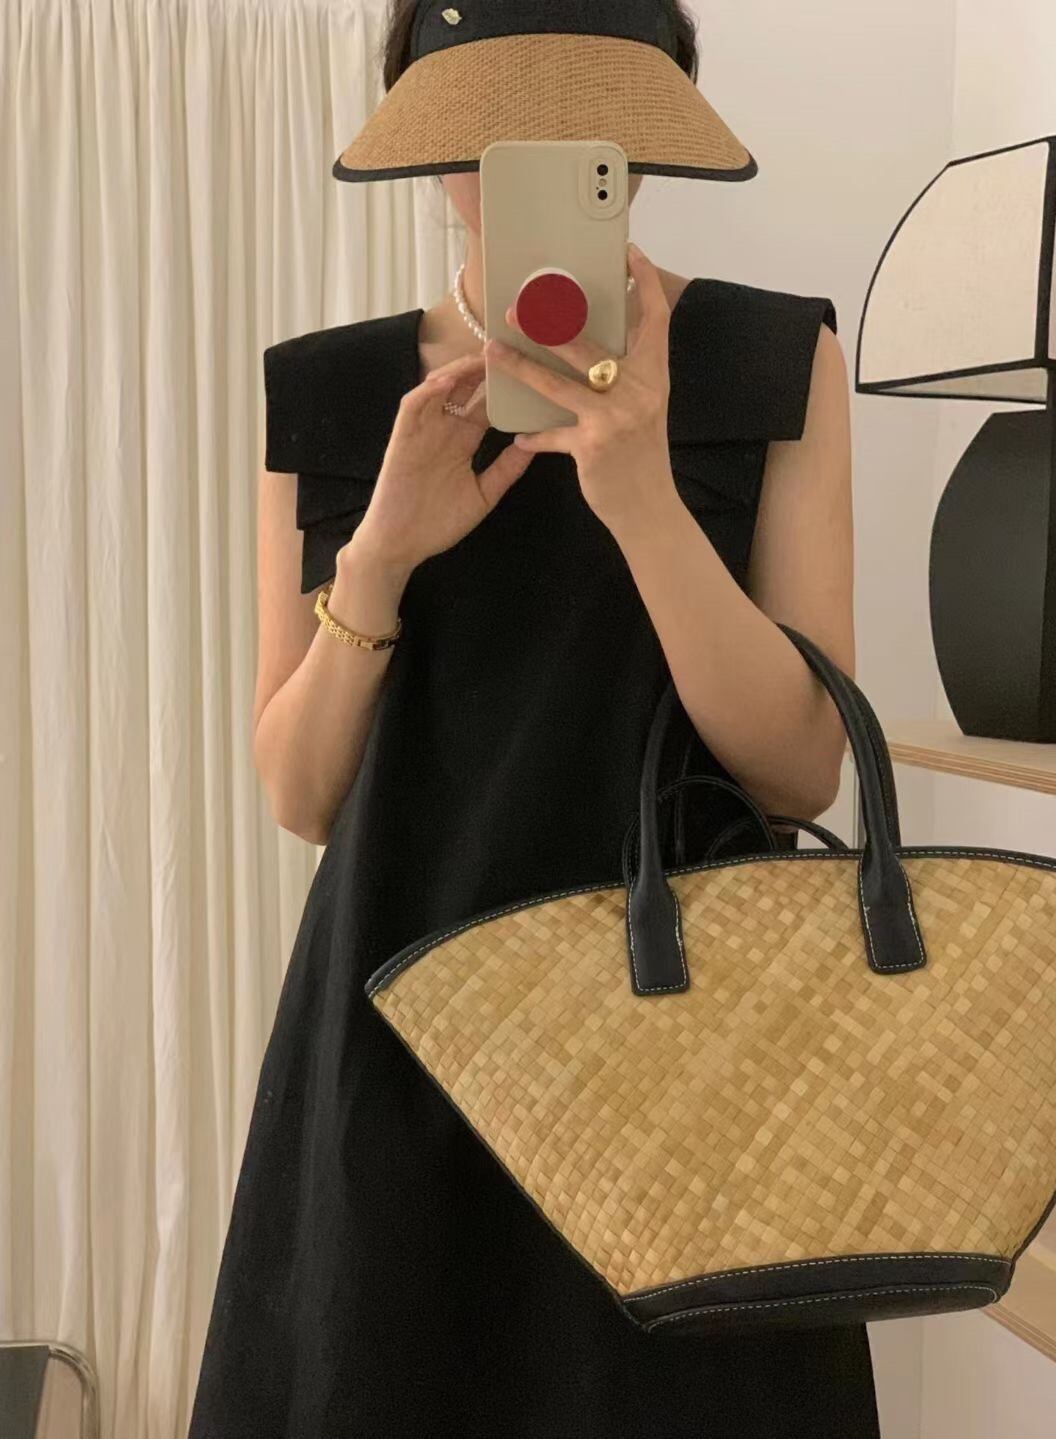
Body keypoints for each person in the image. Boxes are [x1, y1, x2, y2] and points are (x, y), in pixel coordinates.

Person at [189, 2, 874, 1434]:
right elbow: (300, 795)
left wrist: (642, 502)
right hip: (403, 1031)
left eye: (574, 131)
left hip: (697, 1035)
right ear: (428, 140)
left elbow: (803, 770)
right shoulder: (330, 390)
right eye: (485, 133)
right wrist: (378, 557)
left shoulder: (770, 357)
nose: (525, 167)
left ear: (639, 143)